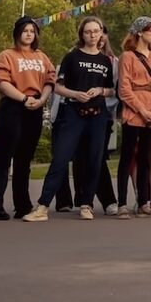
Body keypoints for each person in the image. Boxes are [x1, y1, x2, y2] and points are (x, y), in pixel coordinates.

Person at [27, 16, 117, 222]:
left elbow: (113, 90)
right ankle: (42, 206)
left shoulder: (106, 60)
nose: (93, 35)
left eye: (96, 31)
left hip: (97, 117)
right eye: (88, 31)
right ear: (82, 34)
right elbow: (57, 86)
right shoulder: (72, 57)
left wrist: (100, 90)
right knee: (60, 158)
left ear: (101, 33)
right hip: (73, 114)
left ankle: (87, 204)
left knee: (95, 160)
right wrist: (75, 94)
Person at [0, 17, 55, 221]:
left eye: (32, 31)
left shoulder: (41, 57)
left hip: (35, 108)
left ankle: (22, 204)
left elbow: (50, 80)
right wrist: (23, 98)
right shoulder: (7, 55)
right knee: (3, 157)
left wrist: (41, 100)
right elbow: (1, 81)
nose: (28, 34)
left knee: (24, 160)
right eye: (25, 30)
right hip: (13, 106)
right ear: (17, 33)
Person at [116, 17, 151, 219]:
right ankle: (122, 204)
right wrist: (141, 110)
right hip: (134, 111)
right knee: (127, 157)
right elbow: (124, 89)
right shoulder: (127, 57)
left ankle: (144, 203)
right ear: (140, 33)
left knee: (146, 157)